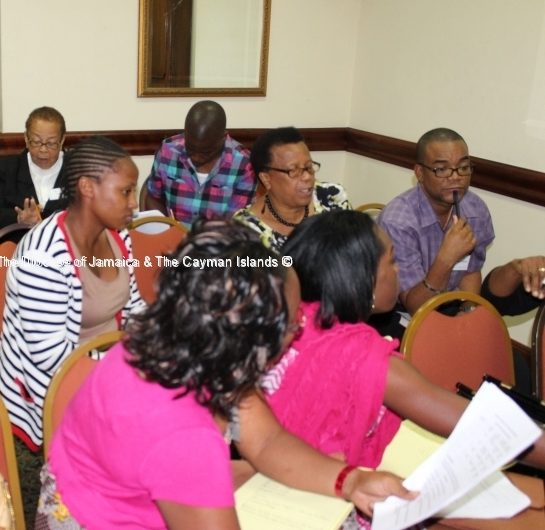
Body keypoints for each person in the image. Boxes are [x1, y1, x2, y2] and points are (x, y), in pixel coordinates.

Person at [38, 220, 416, 529]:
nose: (302, 326)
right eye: (293, 324)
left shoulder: (189, 346)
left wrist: (351, 481)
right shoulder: (182, 433)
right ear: (248, 340)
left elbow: (265, 441)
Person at [265, 211, 545, 498]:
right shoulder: (363, 356)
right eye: (392, 261)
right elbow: (486, 428)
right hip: (315, 498)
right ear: (362, 280)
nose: (398, 270)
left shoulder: (284, 322)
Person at [0, 135, 144, 451]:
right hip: (51, 390)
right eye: (126, 191)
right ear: (88, 188)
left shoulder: (118, 235)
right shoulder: (42, 256)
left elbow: (132, 306)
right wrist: (126, 373)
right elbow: (51, 357)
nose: (134, 203)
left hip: (106, 367)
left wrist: (165, 334)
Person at [376, 128, 494, 320]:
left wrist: (466, 313)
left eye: (463, 167)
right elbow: (416, 307)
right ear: (420, 173)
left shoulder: (475, 210)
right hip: (399, 312)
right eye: (442, 169)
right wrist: (446, 258)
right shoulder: (398, 221)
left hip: (450, 304)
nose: (455, 177)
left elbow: (469, 272)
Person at [233, 126, 351, 252]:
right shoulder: (245, 228)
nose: (307, 176)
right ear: (266, 179)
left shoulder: (332, 198)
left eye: (308, 166)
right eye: (293, 170)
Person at [142, 100, 255, 227]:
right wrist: (166, 230)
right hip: (173, 236)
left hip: (218, 237)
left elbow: (236, 223)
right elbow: (154, 198)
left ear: (223, 138)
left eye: (206, 153)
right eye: (190, 149)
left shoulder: (244, 164)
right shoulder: (167, 151)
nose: (196, 158)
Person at [0, 106, 67, 236]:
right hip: (17, 244)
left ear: (62, 140)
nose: (43, 150)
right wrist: (18, 219)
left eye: (51, 143)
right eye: (36, 142)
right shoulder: (3, 170)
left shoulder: (79, 171)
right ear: (26, 138)